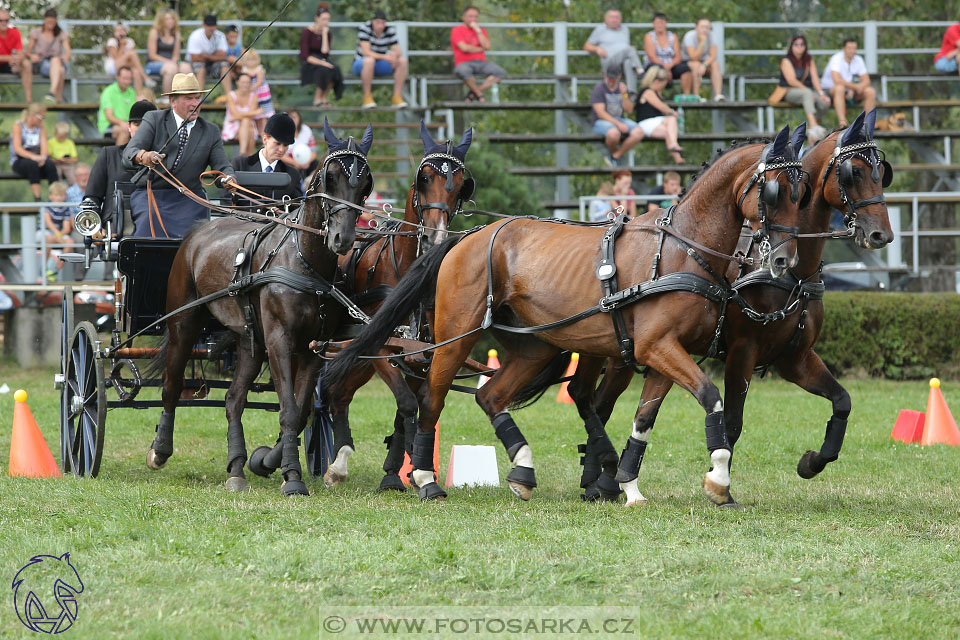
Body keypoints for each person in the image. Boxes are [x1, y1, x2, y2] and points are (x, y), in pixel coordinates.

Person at [123, 73, 235, 238]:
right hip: (152, 195)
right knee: (149, 221)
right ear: (173, 101)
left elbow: (222, 166)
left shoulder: (210, 131)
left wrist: (229, 178)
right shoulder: (154, 119)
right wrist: (144, 156)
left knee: (200, 237)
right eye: (189, 99)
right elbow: (129, 153)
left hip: (190, 199)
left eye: (198, 98)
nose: (195, 104)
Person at [86, 100, 155, 236]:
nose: (141, 129)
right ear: (129, 127)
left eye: (146, 125)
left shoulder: (165, 160)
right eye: (136, 124)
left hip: (154, 228)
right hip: (113, 232)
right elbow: (92, 197)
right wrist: (96, 227)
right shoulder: (108, 155)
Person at [769, 35, 830, 142]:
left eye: (802, 44)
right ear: (791, 46)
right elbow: (791, 80)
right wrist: (810, 92)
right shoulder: (786, 60)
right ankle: (814, 126)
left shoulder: (808, 60)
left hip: (807, 92)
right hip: (788, 91)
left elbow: (815, 78)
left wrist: (821, 93)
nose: (799, 46)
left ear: (805, 46)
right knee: (806, 93)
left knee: (824, 102)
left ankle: (815, 129)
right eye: (796, 44)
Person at [231, 113, 302, 202]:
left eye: (285, 145)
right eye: (277, 143)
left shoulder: (292, 174)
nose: (281, 149)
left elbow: (296, 209)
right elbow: (227, 200)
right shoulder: (240, 165)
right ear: (265, 139)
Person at [353, 10, 408, 109]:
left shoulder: (389, 30)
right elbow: (366, 52)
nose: (381, 25)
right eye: (378, 22)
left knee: (402, 61)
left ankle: (397, 97)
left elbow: (398, 51)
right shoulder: (365, 28)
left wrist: (394, 55)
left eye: (383, 22)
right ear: (372, 21)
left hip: (379, 64)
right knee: (369, 60)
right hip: (362, 63)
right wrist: (385, 56)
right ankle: (367, 97)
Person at [584, 10, 643, 101]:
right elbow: (586, 46)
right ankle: (641, 72)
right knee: (630, 50)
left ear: (621, 19)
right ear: (606, 19)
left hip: (622, 63)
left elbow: (622, 47)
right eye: (612, 17)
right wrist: (597, 48)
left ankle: (631, 94)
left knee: (628, 62)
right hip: (609, 62)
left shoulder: (625, 29)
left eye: (617, 17)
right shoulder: (600, 29)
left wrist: (629, 50)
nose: (614, 20)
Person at [451, 6, 506, 102]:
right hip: (464, 63)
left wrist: (478, 30)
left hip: (481, 63)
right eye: (470, 16)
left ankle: (473, 94)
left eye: (475, 17)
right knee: (464, 72)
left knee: (500, 73)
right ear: (463, 17)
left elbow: (487, 46)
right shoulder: (457, 30)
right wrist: (481, 48)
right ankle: (479, 95)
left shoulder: (481, 30)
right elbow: (464, 48)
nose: (473, 19)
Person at [591, 68, 643, 167]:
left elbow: (629, 110)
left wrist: (624, 95)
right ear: (605, 75)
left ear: (619, 77)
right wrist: (618, 124)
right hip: (601, 121)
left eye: (613, 78)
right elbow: (600, 113)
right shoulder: (599, 88)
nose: (610, 80)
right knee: (614, 134)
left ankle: (616, 155)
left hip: (619, 119)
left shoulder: (621, 88)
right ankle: (613, 152)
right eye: (609, 78)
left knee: (639, 132)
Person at [820, 38, 876, 128]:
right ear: (844, 49)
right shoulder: (836, 59)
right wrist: (854, 87)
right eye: (849, 48)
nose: (852, 51)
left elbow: (867, 81)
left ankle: (867, 125)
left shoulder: (858, 60)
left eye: (854, 48)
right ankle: (843, 124)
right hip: (830, 91)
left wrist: (854, 88)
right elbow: (837, 80)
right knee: (839, 88)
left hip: (849, 92)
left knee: (870, 91)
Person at [636, 65, 685, 164]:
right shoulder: (648, 92)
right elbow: (661, 107)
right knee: (671, 119)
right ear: (656, 81)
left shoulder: (657, 93)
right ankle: (674, 144)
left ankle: (678, 159)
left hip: (655, 123)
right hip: (647, 122)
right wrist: (673, 112)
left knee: (668, 133)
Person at [10, 103, 58, 201]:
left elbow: (44, 147)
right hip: (20, 160)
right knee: (32, 165)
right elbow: (18, 149)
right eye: (41, 117)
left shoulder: (41, 128)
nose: (42, 120)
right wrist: (34, 157)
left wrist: (43, 157)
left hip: (38, 159)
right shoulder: (18, 126)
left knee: (50, 165)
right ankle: (37, 198)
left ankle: (56, 196)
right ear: (32, 115)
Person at [24, 8, 71, 103]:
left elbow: (68, 52)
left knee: (56, 61)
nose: (50, 25)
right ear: (44, 20)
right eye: (49, 22)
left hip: (57, 62)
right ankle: (58, 98)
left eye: (53, 22)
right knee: (60, 70)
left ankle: (52, 92)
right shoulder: (36, 33)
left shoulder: (61, 34)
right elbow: (28, 52)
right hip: (42, 63)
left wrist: (65, 57)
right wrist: (32, 56)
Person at [642, 13, 692, 100]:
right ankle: (657, 96)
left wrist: (669, 67)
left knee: (685, 68)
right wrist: (664, 68)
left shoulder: (673, 36)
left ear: (665, 24)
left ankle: (686, 96)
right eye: (657, 23)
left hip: (671, 65)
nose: (659, 25)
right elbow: (652, 57)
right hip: (655, 64)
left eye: (662, 22)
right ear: (653, 24)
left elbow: (678, 56)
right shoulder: (649, 36)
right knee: (657, 69)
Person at [300, 4, 342, 107]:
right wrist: (323, 63)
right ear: (316, 18)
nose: (326, 22)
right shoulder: (307, 32)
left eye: (328, 19)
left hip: (322, 59)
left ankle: (324, 98)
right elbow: (305, 55)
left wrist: (324, 34)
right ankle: (317, 99)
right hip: (310, 61)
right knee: (324, 70)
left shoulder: (327, 33)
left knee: (335, 69)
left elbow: (325, 53)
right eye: (323, 19)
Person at [146, 8, 191, 98]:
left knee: (186, 68)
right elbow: (152, 55)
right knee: (171, 69)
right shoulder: (154, 32)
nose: (170, 21)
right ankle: (167, 98)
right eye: (167, 19)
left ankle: (184, 97)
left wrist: (175, 61)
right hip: (154, 63)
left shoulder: (176, 34)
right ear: (161, 20)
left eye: (172, 18)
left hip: (171, 62)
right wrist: (169, 62)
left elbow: (176, 55)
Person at [681, 18, 724, 101]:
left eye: (707, 27)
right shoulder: (689, 36)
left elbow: (713, 55)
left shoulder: (711, 36)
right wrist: (702, 43)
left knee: (715, 64)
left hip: (704, 62)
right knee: (696, 65)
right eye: (702, 27)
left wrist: (704, 65)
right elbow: (693, 57)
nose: (705, 30)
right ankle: (696, 96)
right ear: (696, 27)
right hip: (689, 62)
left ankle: (718, 95)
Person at [103, 21, 152, 92]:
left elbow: (131, 60)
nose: (119, 33)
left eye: (121, 30)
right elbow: (116, 59)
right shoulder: (112, 41)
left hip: (126, 66)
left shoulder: (130, 42)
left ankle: (138, 97)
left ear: (125, 32)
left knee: (136, 72)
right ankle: (145, 78)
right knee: (132, 53)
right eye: (116, 31)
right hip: (113, 67)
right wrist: (122, 46)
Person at [38, 181, 73, 280]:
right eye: (56, 195)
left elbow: (66, 228)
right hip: (44, 231)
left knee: (70, 242)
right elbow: (48, 222)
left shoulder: (65, 208)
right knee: (48, 239)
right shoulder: (46, 205)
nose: (58, 198)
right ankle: (43, 267)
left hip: (57, 234)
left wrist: (59, 235)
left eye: (61, 195)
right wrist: (57, 234)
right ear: (50, 196)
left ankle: (57, 269)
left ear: (65, 197)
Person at [221, 73, 261, 157]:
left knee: (247, 123)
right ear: (237, 82)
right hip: (233, 126)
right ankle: (249, 157)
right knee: (248, 125)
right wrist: (255, 112)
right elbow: (235, 113)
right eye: (243, 82)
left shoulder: (254, 96)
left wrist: (236, 117)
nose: (246, 85)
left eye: (248, 82)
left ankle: (242, 154)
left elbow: (239, 116)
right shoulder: (231, 95)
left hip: (248, 126)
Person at [238, 49, 274, 137]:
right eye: (249, 59)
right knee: (256, 116)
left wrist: (249, 89)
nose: (251, 62)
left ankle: (265, 134)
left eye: (253, 59)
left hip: (261, 95)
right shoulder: (244, 70)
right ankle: (259, 133)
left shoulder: (259, 69)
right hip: (251, 96)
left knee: (263, 115)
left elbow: (259, 82)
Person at [186, 14, 227, 88]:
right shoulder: (195, 35)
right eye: (209, 25)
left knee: (224, 66)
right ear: (204, 25)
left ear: (216, 26)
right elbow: (194, 58)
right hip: (195, 65)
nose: (211, 28)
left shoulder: (220, 35)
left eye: (213, 25)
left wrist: (205, 56)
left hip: (211, 65)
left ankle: (230, 96)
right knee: (201, 69)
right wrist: (214, 56)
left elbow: (223, 56)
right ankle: (200, 97)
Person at [98, 66, 136, 145]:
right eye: (125, 78)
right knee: (125, 131)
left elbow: (134, 113)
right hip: (108, 126)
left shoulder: (131, 92)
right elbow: (109, 117)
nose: (127, 82)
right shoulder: (108, 92)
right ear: (117, 77)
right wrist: (123, 123)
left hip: (127, 125)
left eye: (129, 79)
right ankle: (119, 157)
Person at [281, 108, 318, 180]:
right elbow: (281, 155)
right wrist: (295, 163)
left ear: (299, 118)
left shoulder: (306, 130)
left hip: (306, 162)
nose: (292, 120)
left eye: (294, 117)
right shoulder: (282, 132)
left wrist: (307, 162)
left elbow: (313, 152)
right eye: (290, 117)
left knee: (316, 165)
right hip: (289, 162)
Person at [0, 9, 28, 100]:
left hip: (9, 65)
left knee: (26, 64)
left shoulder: (15, 32)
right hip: (6, 62)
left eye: (6, 20)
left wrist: (17, 60)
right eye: (0, 20)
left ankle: (29, 101)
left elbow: (21, 54)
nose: (3, 23)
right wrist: (10, 58)